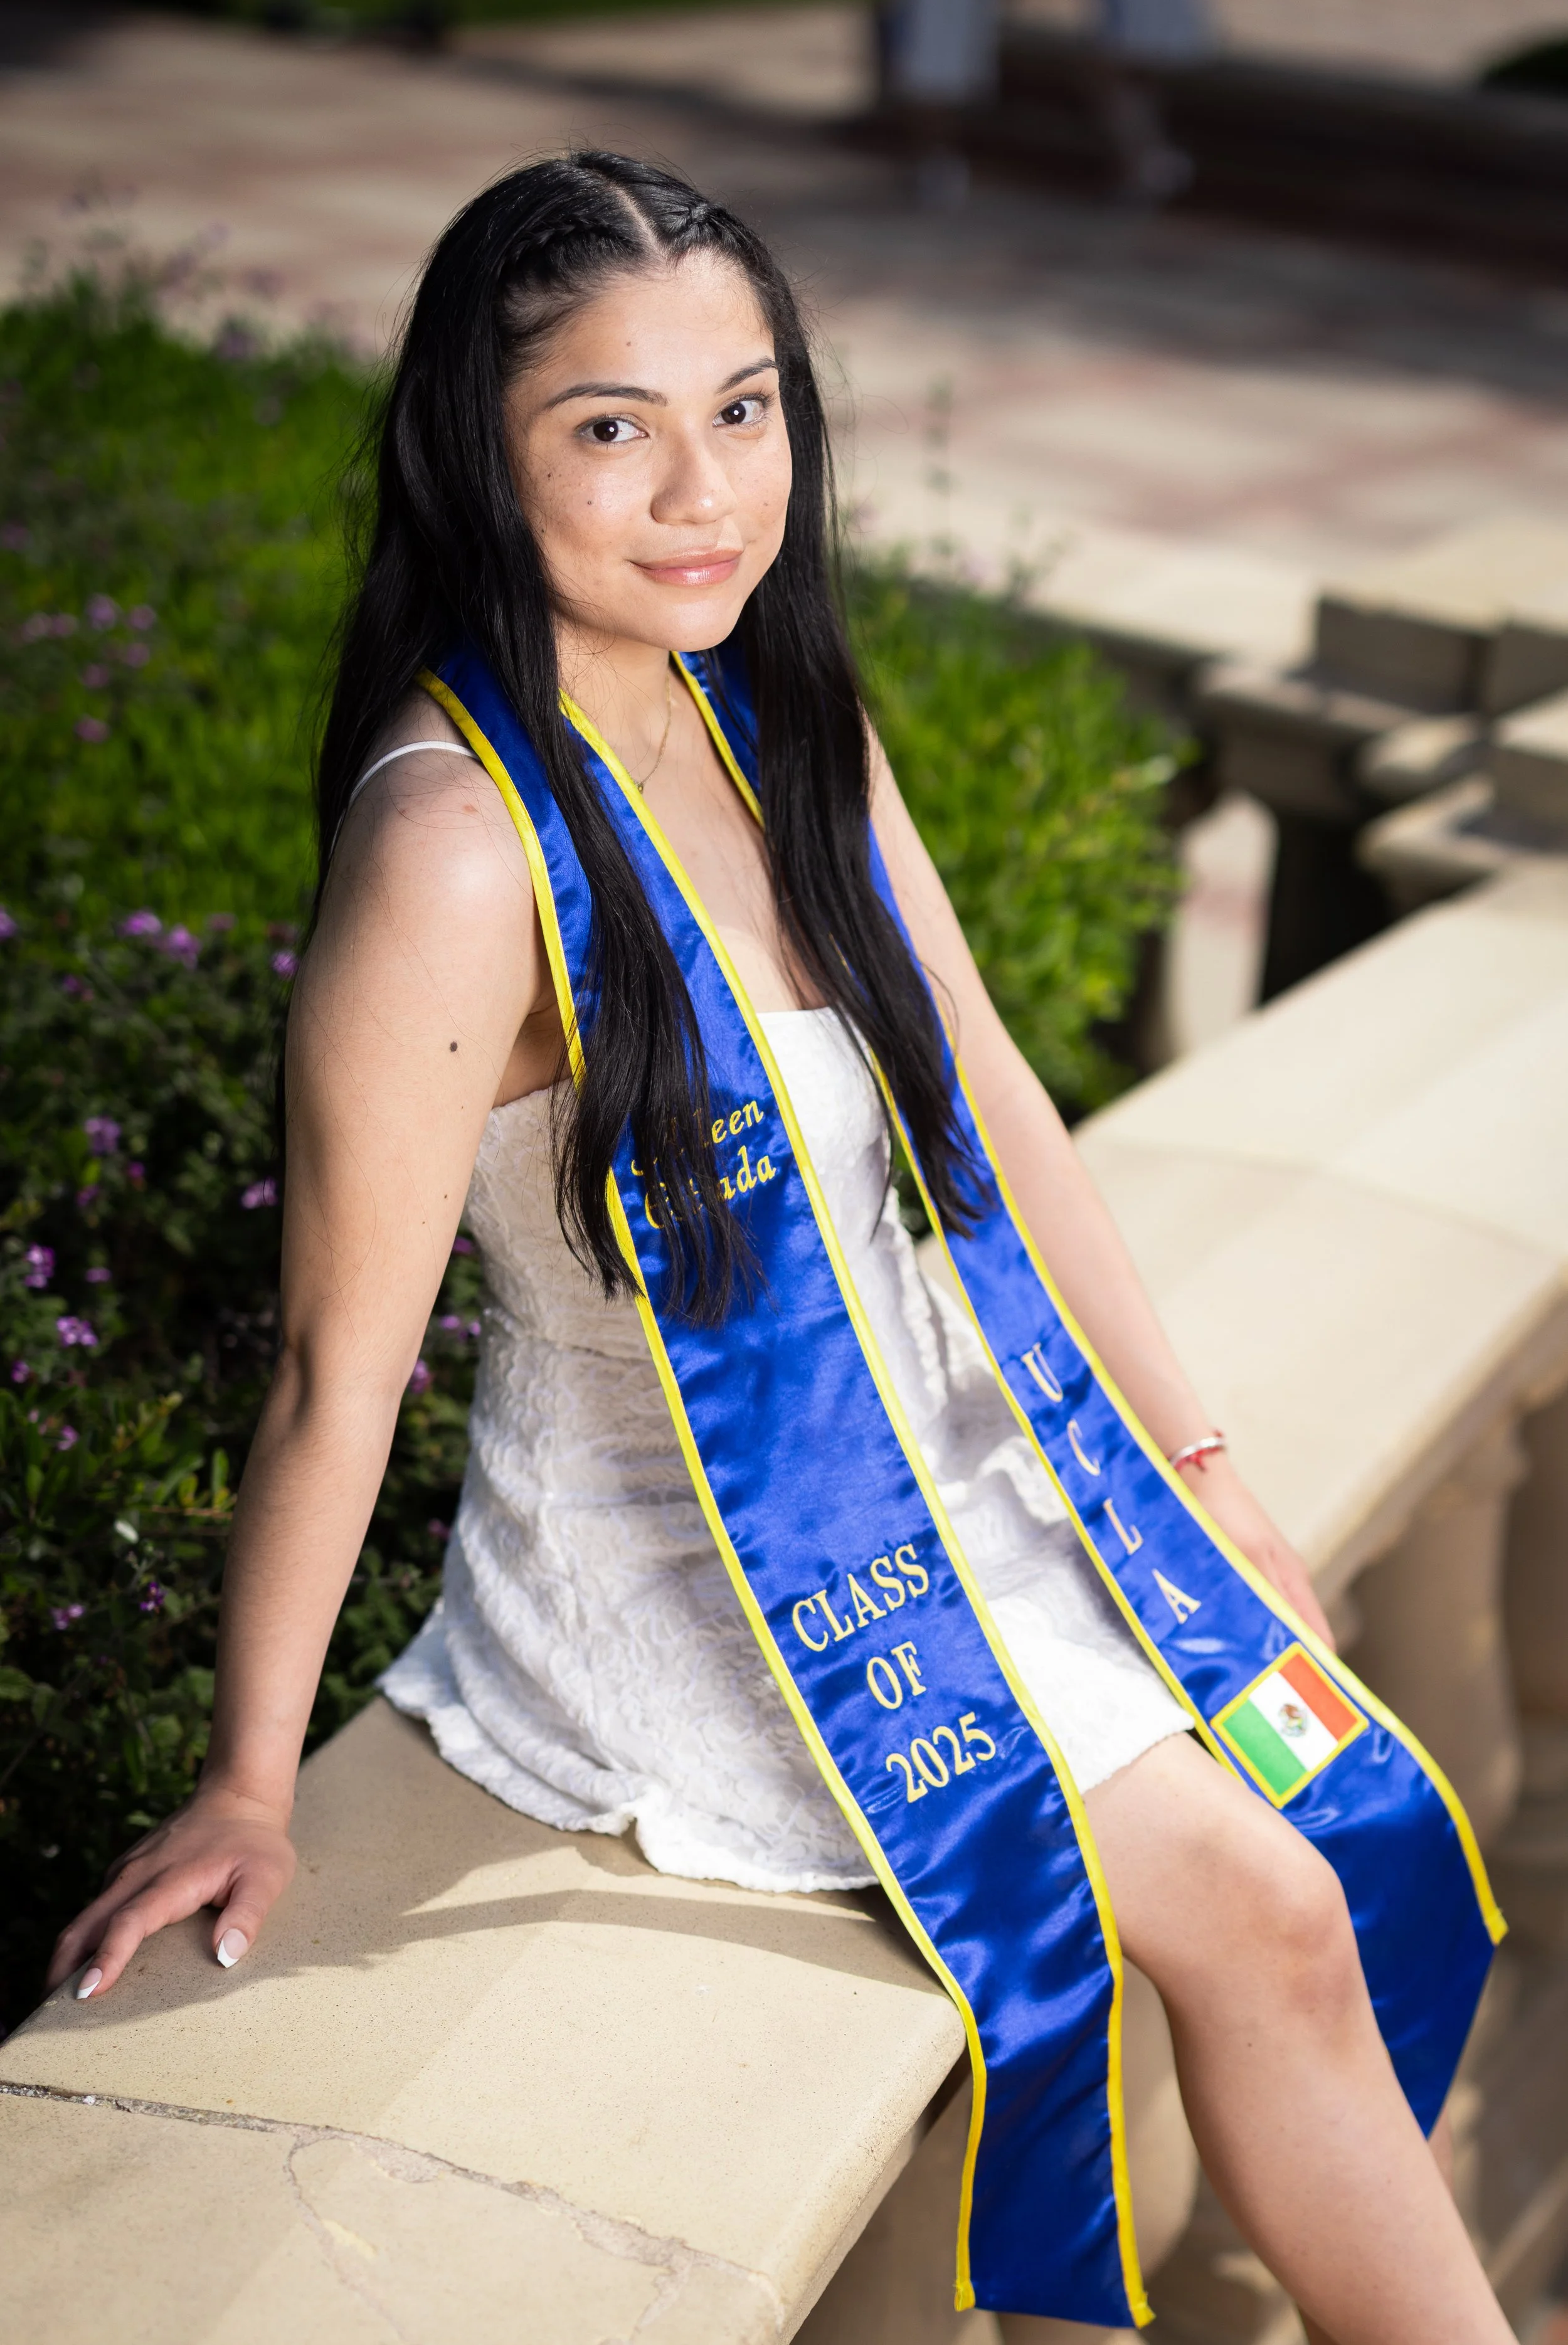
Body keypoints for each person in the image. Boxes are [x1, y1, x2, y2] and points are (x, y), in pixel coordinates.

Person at [49, 154, 1508, 2344]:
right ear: (479, 447)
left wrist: (1201, 1478)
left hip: (955, 1472)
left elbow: (996, 1105)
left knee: (1324, 1834)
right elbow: (331, 1373)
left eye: (744, 408)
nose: (701, 490)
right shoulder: (455, 853)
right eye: (609, 426)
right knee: (1267, 1906)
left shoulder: (768, 707)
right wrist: (250, 1777)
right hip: (691, 1574)